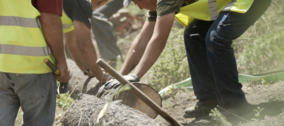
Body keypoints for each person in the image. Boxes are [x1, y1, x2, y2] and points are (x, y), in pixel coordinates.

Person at [104, 0, 271, 117]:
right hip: (224, 2)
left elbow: (158, 40)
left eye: (136, 2)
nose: (138, 7)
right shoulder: (157, 5)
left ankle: (236, 104)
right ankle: (209, 100)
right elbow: (142, 39)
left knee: (216, 40)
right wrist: (120, 77)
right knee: (193, 34)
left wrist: (135, 76)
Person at [61, 0, 114, 83]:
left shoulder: (71, 6)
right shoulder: (84, 3)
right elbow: (84, 44)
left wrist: (87, 70)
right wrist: (101, 76)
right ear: (101, 2)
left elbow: (71, 44)